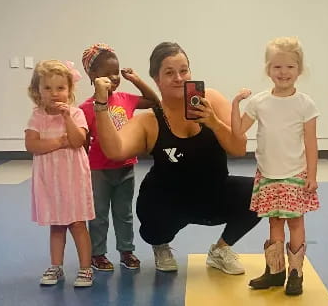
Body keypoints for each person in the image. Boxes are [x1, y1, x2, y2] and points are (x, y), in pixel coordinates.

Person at [92, 41, 261, 275]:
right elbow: (115, 150)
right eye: (169, 73)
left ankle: (220, 250)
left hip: (212, 194)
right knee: (153, 222)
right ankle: (160, 245)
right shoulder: (149, 120)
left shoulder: (210, 99)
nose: (179, 78)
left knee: (261, 192)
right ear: (157, 79)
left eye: (184, 70)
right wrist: (100, 106)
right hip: (169, 202)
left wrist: (213, 122)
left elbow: (238, 149)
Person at [232, 36, 320, 295]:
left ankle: (295, 274)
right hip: (268, 174)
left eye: (290, 67)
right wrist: (235, 103)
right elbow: (238, 132)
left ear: (299, 70)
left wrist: (312, 175)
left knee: (295, 223)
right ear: (268, 69)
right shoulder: (259, 102)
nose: (283, 72)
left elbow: (312, 144)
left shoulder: (306, 104)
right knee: (274, 222)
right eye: (277, 67)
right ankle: (275, 271)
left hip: (295, 173)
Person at [79, 43, 160, 271]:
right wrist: (82, 172)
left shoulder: (126, 98)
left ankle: (126, 251)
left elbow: (155, 102)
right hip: (98, 170)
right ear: (93, 76)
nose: (114, 78)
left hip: (125, 167)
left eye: (117, 72)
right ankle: (98, 254)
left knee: (124, 213)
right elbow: (83, 143)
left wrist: (136, 79)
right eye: (107, 74)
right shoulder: (86, 108)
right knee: (99, 215)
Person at [25, 60, 95, 287]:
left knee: (77, 224)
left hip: (74, 179)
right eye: (48, 88)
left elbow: (78, 141)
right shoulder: (37, 117)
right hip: (50, 181)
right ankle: (56, 266)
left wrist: (66, 120)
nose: (54, 94)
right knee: (56, 225)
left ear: (69, 90)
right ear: (38, 91)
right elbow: (32, 145)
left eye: (60, 88)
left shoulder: (75, 114)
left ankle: (85, 268)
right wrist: (58, 141)